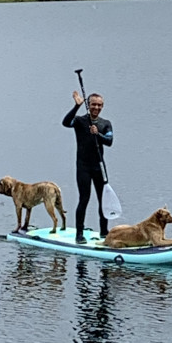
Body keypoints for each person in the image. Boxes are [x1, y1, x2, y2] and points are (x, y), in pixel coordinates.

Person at [62, 90, 113, 244]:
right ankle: (79, 234)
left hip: (99, 167)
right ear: (88, 105)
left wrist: (97, 134)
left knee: (103, 200)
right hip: (83, 167)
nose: (96, 108)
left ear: (102, 106)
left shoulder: (105, 124)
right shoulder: (79, 121)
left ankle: (104, 233)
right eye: (93, 105)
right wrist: (76, 106)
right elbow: (65, 122)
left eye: (99, 105)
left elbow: (109, 141)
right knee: (84, 199)